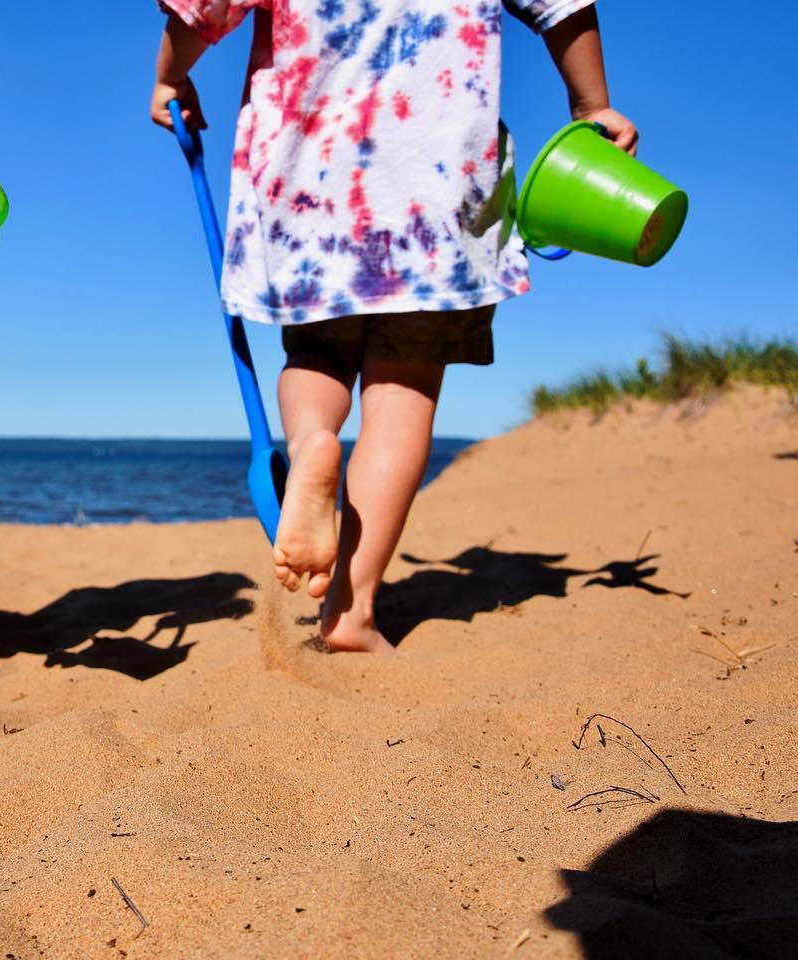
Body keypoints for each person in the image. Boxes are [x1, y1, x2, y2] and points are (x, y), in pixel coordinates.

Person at [151, 1, 636, 652]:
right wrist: (591, 105)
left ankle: (313, 443)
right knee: (404, 390)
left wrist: (171, 77)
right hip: (436, 188)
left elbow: (203, 7)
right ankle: (350, 614)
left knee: (316, 356)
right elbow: (564, 8)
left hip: (310, 179)